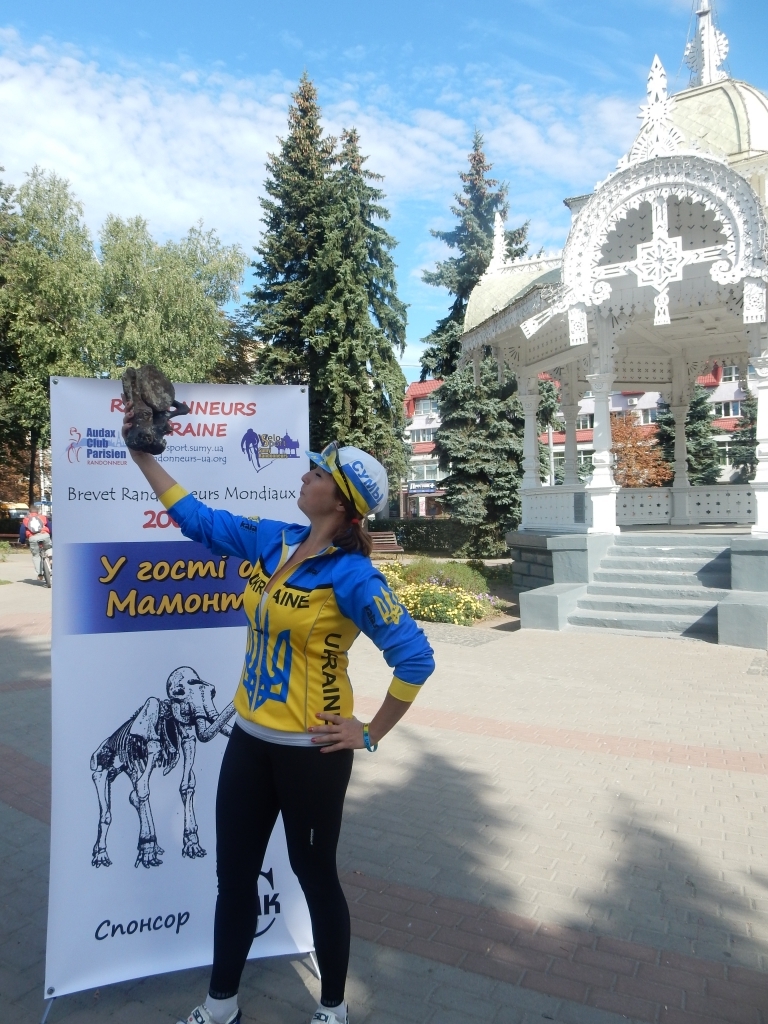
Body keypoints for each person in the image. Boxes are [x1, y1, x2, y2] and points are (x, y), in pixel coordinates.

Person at [122, 407, 435, 1024]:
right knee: (234, 878)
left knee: (315, 877)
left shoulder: (355, 577)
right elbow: (199, 519)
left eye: (317, 472)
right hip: (247, 741)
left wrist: (369, 731)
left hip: (312, 755)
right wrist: (142, 456)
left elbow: (415, 659)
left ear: (340, 502)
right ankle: (221, 1005)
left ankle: (333, 1007)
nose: (305, 474)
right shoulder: (273, 539)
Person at [19, 505, 52, 582]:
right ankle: (51, 558)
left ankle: (40, 574)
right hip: (44, 535)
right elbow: (50, 528)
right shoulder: (43, 517)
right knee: (48, 548)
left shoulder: (26, 520)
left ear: (29, 512)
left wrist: (22, 541)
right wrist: (50, 536)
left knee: (36, 556)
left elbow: (22, 532)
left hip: (33, 538)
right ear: (38, 512)